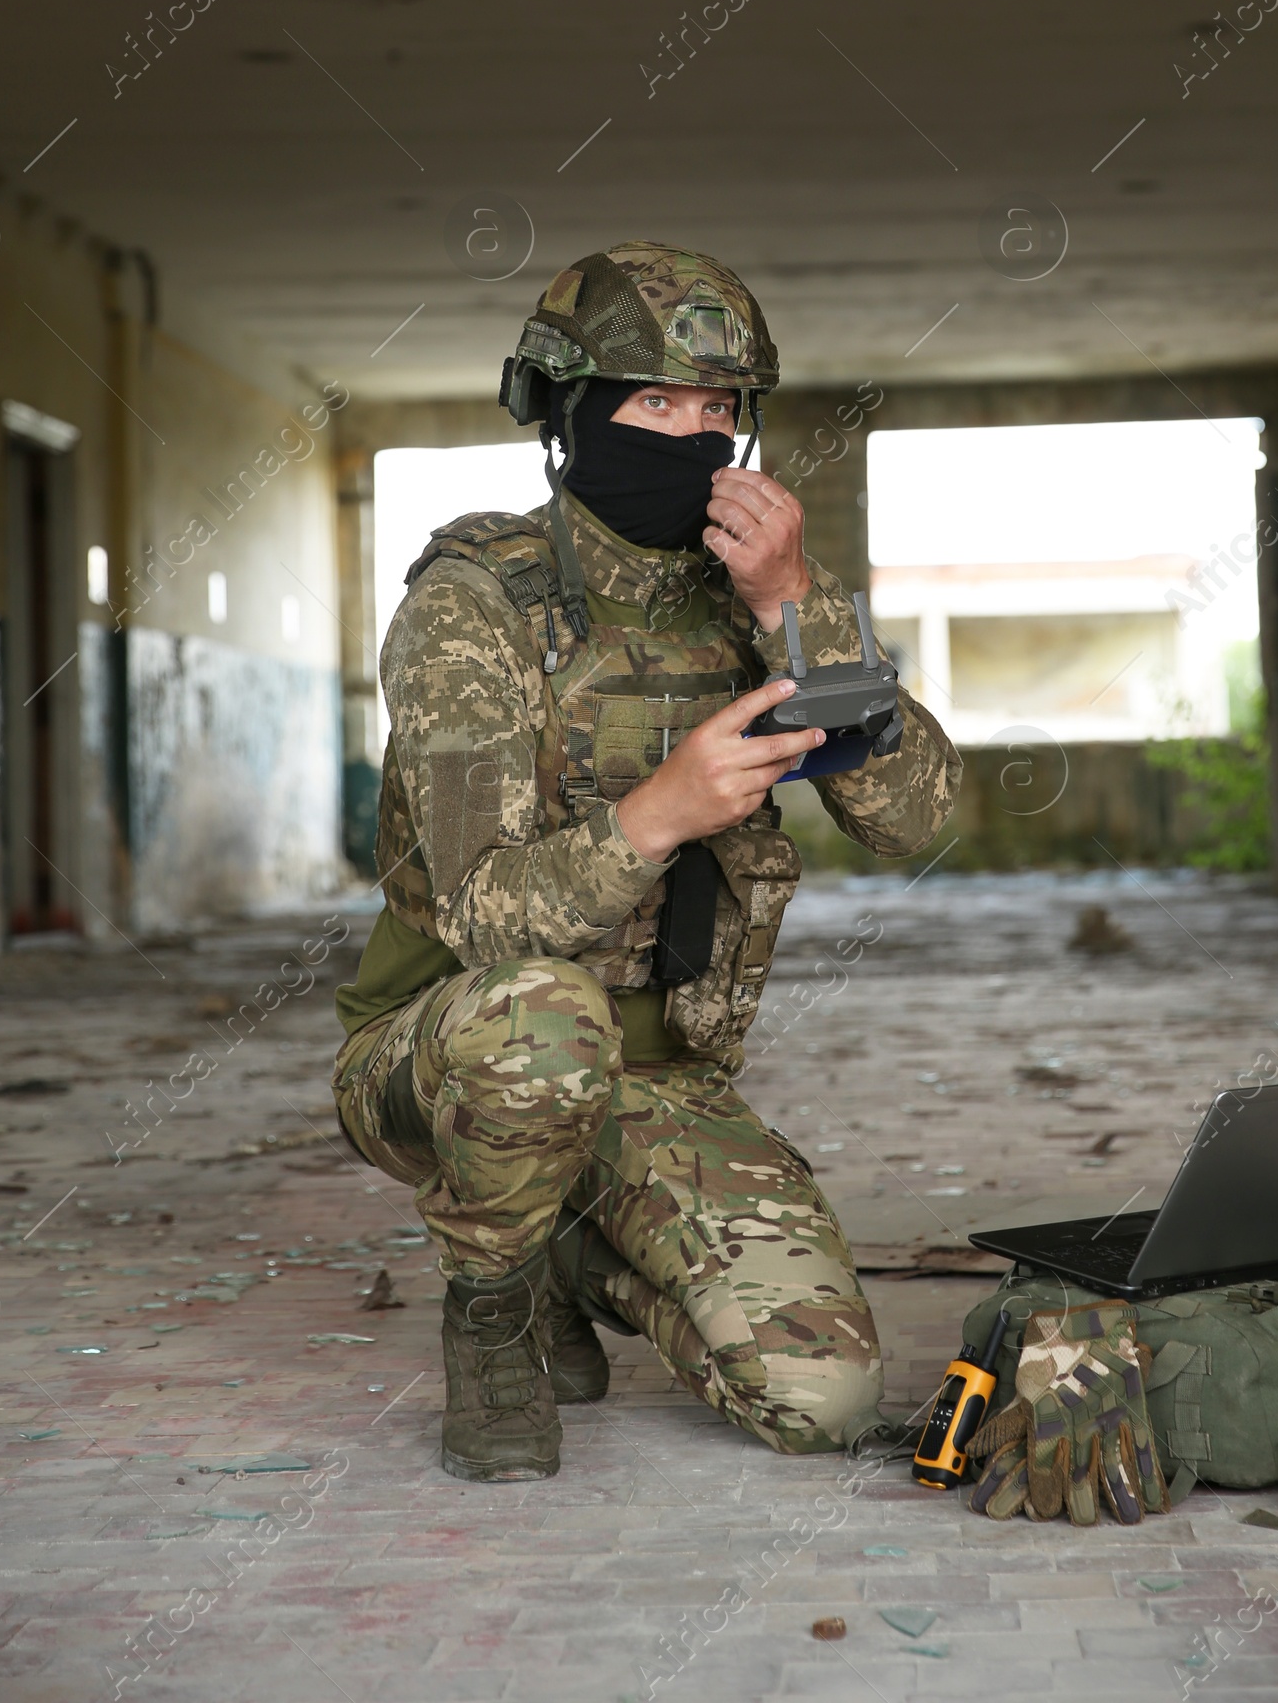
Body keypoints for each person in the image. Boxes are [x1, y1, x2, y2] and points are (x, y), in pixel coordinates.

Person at [332, 240, 960, 1480]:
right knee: (543, 1015)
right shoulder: (476, 605)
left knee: (820, 1399)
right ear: (569, 413)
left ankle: (576, 1241)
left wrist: (795, 605)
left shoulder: (754, 591)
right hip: (449, 1052)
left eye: (716, 410)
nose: (690, 436)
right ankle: (495, 1309)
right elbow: (483, 916)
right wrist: (659, 812)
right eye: (652, 403)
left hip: (654, 1072)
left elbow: (917, 816)